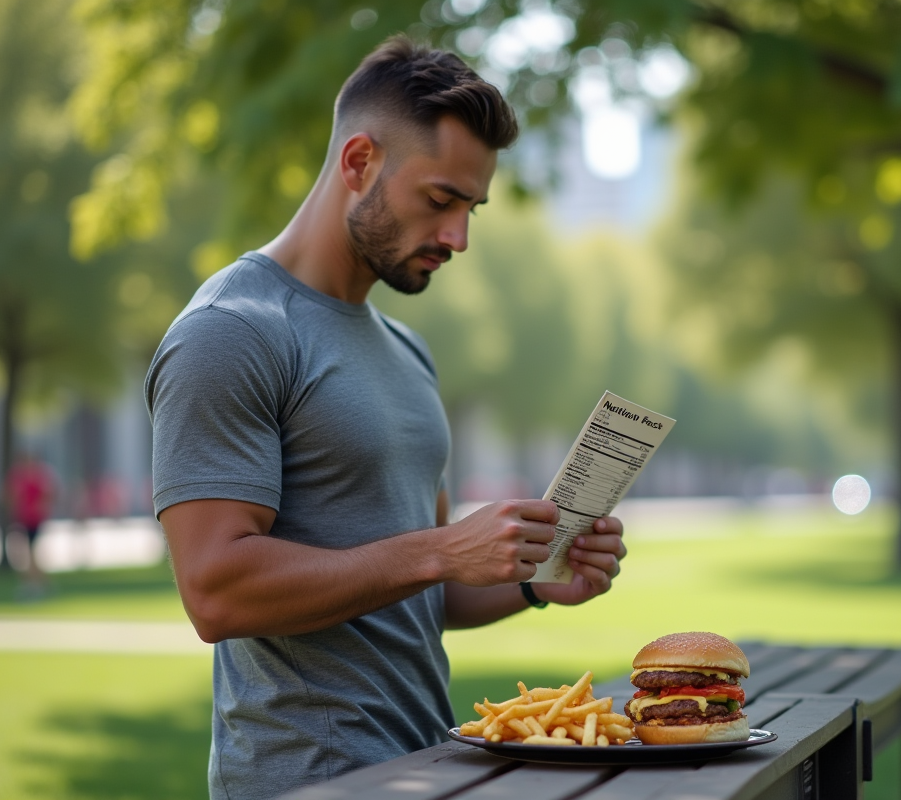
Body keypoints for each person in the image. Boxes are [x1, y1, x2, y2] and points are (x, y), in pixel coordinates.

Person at [146, 37, 627, 800]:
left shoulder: (407, 350)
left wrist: (537, 575)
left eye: (471, 208)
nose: (458, 238)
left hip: (426, 771)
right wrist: (439, 550)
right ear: (359, 161)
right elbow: (216, 591)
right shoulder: (233, 329)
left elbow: (419, 592)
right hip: (306, 784)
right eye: (440, 201)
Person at [6, 452, 55, 595]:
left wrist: (39, 509)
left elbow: (47, 496)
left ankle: (35, 584)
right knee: (24, 553)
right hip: (23, 519)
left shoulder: (39, 478)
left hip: (35, 520)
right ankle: (38, 583)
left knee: (32, 553)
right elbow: (12, 496)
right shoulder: (18, 478)